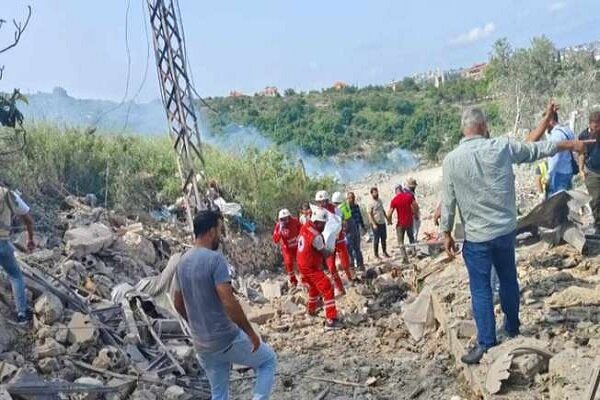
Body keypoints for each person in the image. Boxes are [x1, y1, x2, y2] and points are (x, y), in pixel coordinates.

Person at [441, 107, 586, 365]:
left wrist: (446, 232)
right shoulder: (501, 147)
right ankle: (513, 327)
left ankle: (486, 342)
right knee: (508, 280)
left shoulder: (452, 160)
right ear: (484, 126)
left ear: (464, 130)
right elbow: (538, 150)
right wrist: (569, 144)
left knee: (481, 288)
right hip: (504, 231)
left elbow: (448, 201)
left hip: (476, 237)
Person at [173, 209, 277, 400]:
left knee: (219, 393)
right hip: (226, 338)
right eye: (220, 231)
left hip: (202, 344)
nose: (220, 236)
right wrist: (251, 333)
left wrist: (197, 324)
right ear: (211, 231)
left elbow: (177, 302)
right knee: (268, 361)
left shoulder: (181, 262)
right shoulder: (215, 259)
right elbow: (229, 302)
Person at [296, 208, 342, 330]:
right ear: (316, 222)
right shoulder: (316, 237)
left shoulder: (305, 226)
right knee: (327, 287)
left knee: (314, 288)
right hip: (310, 266)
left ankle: (311, 311)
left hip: (302, 264)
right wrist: (331, 246)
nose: (324, 226)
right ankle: (331, 320)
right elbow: (325, 254)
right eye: (323, 224)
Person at [0, 184, 35, 324]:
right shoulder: (8, 194)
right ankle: (22, 314)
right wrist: (31, 239)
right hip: (2, 243)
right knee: (15, 276)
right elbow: (28, 220)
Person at [528, 104, 577, 196]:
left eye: (545, 122)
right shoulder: (566, 130)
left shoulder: (556, 136)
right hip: (567, 171)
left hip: (558, 173)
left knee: (555, 203)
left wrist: (549, 175)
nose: (544, 126)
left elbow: (555, 158)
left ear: (550, 121)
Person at [315, 190, 351, 294]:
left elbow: (340, 223)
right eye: (320, 202)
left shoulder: (335, 210)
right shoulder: (317, 212)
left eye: (323, 201)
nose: (322, 204)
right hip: (327, 242)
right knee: (331, 267)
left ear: (327, 200)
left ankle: (349, 277)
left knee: (345, 262)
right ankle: (340, 287)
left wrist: (340, 228)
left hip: (338, 239)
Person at [578, 110, 600, 233]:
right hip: (592, 172)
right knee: (595, 200)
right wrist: (581, 170)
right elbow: (581, 154)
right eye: (595, 126)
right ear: (590, 124)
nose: (597, 129)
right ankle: (598, 225)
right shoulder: (584, 136)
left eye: (599, 126)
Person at [272, 209, 301, 287]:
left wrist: (300, 237)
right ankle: (293, 281)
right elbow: (275, 239)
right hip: (287, 248)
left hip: (297, 246)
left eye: (286, 218)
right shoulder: (279, 226)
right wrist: (279, 231)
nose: (285, 220)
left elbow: (301, 229)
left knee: (301, 262)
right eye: (282, 219)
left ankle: (305, 279)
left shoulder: (294, 221)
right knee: (288, 263)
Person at [387, 186, 417, 264]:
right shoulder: (408, 197)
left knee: (400, 242)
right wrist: (416, 214)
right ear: (402, 190)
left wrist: (389, 221)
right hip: (409, 221)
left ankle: (405, 258)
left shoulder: (394, 200)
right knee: (411, 237)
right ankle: (414, 252)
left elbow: (389, 213)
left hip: (401, 223)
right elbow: (415, 205)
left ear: (396, 192)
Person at [367, 187, 390, 259]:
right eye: (374, 192)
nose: (376, 193)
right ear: (371, 194)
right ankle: (376, 254)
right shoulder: (370, 203)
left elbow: (382, 210)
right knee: (376, 239)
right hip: (376, 223)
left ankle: (384, 252)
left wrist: (387, 218)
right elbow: (369, 214)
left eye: (377, 192)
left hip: (382, 222)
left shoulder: (380, 200)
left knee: (384, 238)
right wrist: (374, 224)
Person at [346, 192, 366, 269]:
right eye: (350, 198)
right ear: (347, 199)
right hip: (349, 231)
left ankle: (360, 264)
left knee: (357, 248)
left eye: (353, 197)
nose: (352, 199)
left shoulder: (356, 206)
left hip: (357, 229)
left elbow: (360, 216)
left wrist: (363, 226)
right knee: (350, 249)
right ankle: (352, 266)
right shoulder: (346, 209)